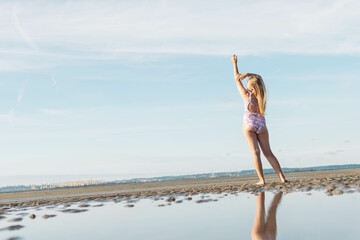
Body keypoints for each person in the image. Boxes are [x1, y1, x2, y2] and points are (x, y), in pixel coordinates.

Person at [231, 54, 287, 185]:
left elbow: (236, 79)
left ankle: (262, 180)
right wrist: (249, 74)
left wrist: (234, 63)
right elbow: (260, 78)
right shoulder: (262, 97)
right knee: (268, 153)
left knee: (255, 152)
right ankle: (282, 177)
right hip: (262, 126)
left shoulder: (246, 96)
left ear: (251, 88)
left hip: (249, 126)